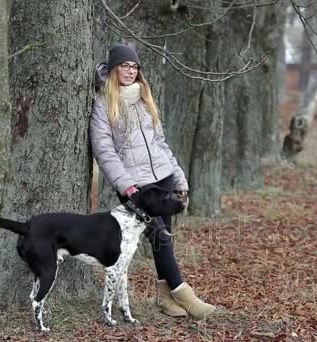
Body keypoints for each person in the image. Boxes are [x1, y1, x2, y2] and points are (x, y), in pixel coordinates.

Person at [90, 43, 215, 319]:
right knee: (159, 235)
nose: (130, 71)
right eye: (125, 65)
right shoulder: (103, 103)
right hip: (137, 187)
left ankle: (164, 297)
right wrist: (125, 185)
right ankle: (184, 294)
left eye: (134, 66)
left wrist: (178, 177)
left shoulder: (145, 98)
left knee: (163, 240)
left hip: (163, 178)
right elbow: (104, 150)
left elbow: (161, 143)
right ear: (113, 68)